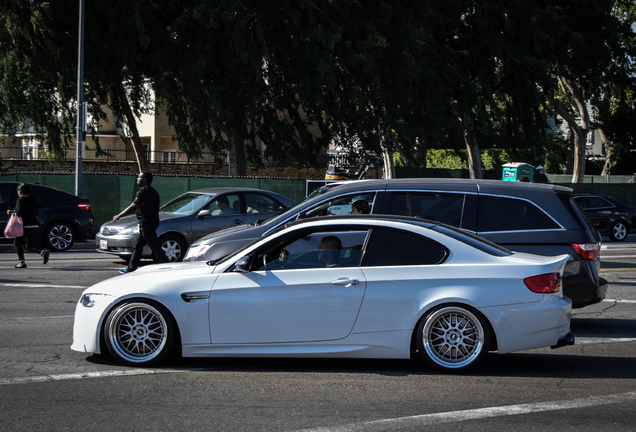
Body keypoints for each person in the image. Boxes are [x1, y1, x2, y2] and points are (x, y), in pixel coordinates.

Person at [113, 172, 168, 274]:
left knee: (155, 247)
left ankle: (169, 267)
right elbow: (158, 206)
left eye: (139, 177)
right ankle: (131, 268)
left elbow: (133, 206)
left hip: (146, 223)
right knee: (138, 246)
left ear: (145, 180)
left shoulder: (142, 192)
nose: (137, 179)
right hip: (152, 222)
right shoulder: (154, 192)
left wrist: (119, 215)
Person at [7, 183, 49, 268]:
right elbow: (37, 212)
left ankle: (21, 262)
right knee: (30, 246)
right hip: (34, 225)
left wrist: (10, 212)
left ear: (20, 191)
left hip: (24, 226)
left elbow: (18, 213)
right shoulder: (33, 199)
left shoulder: (21, 200)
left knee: (17, 243)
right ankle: (42, 252)